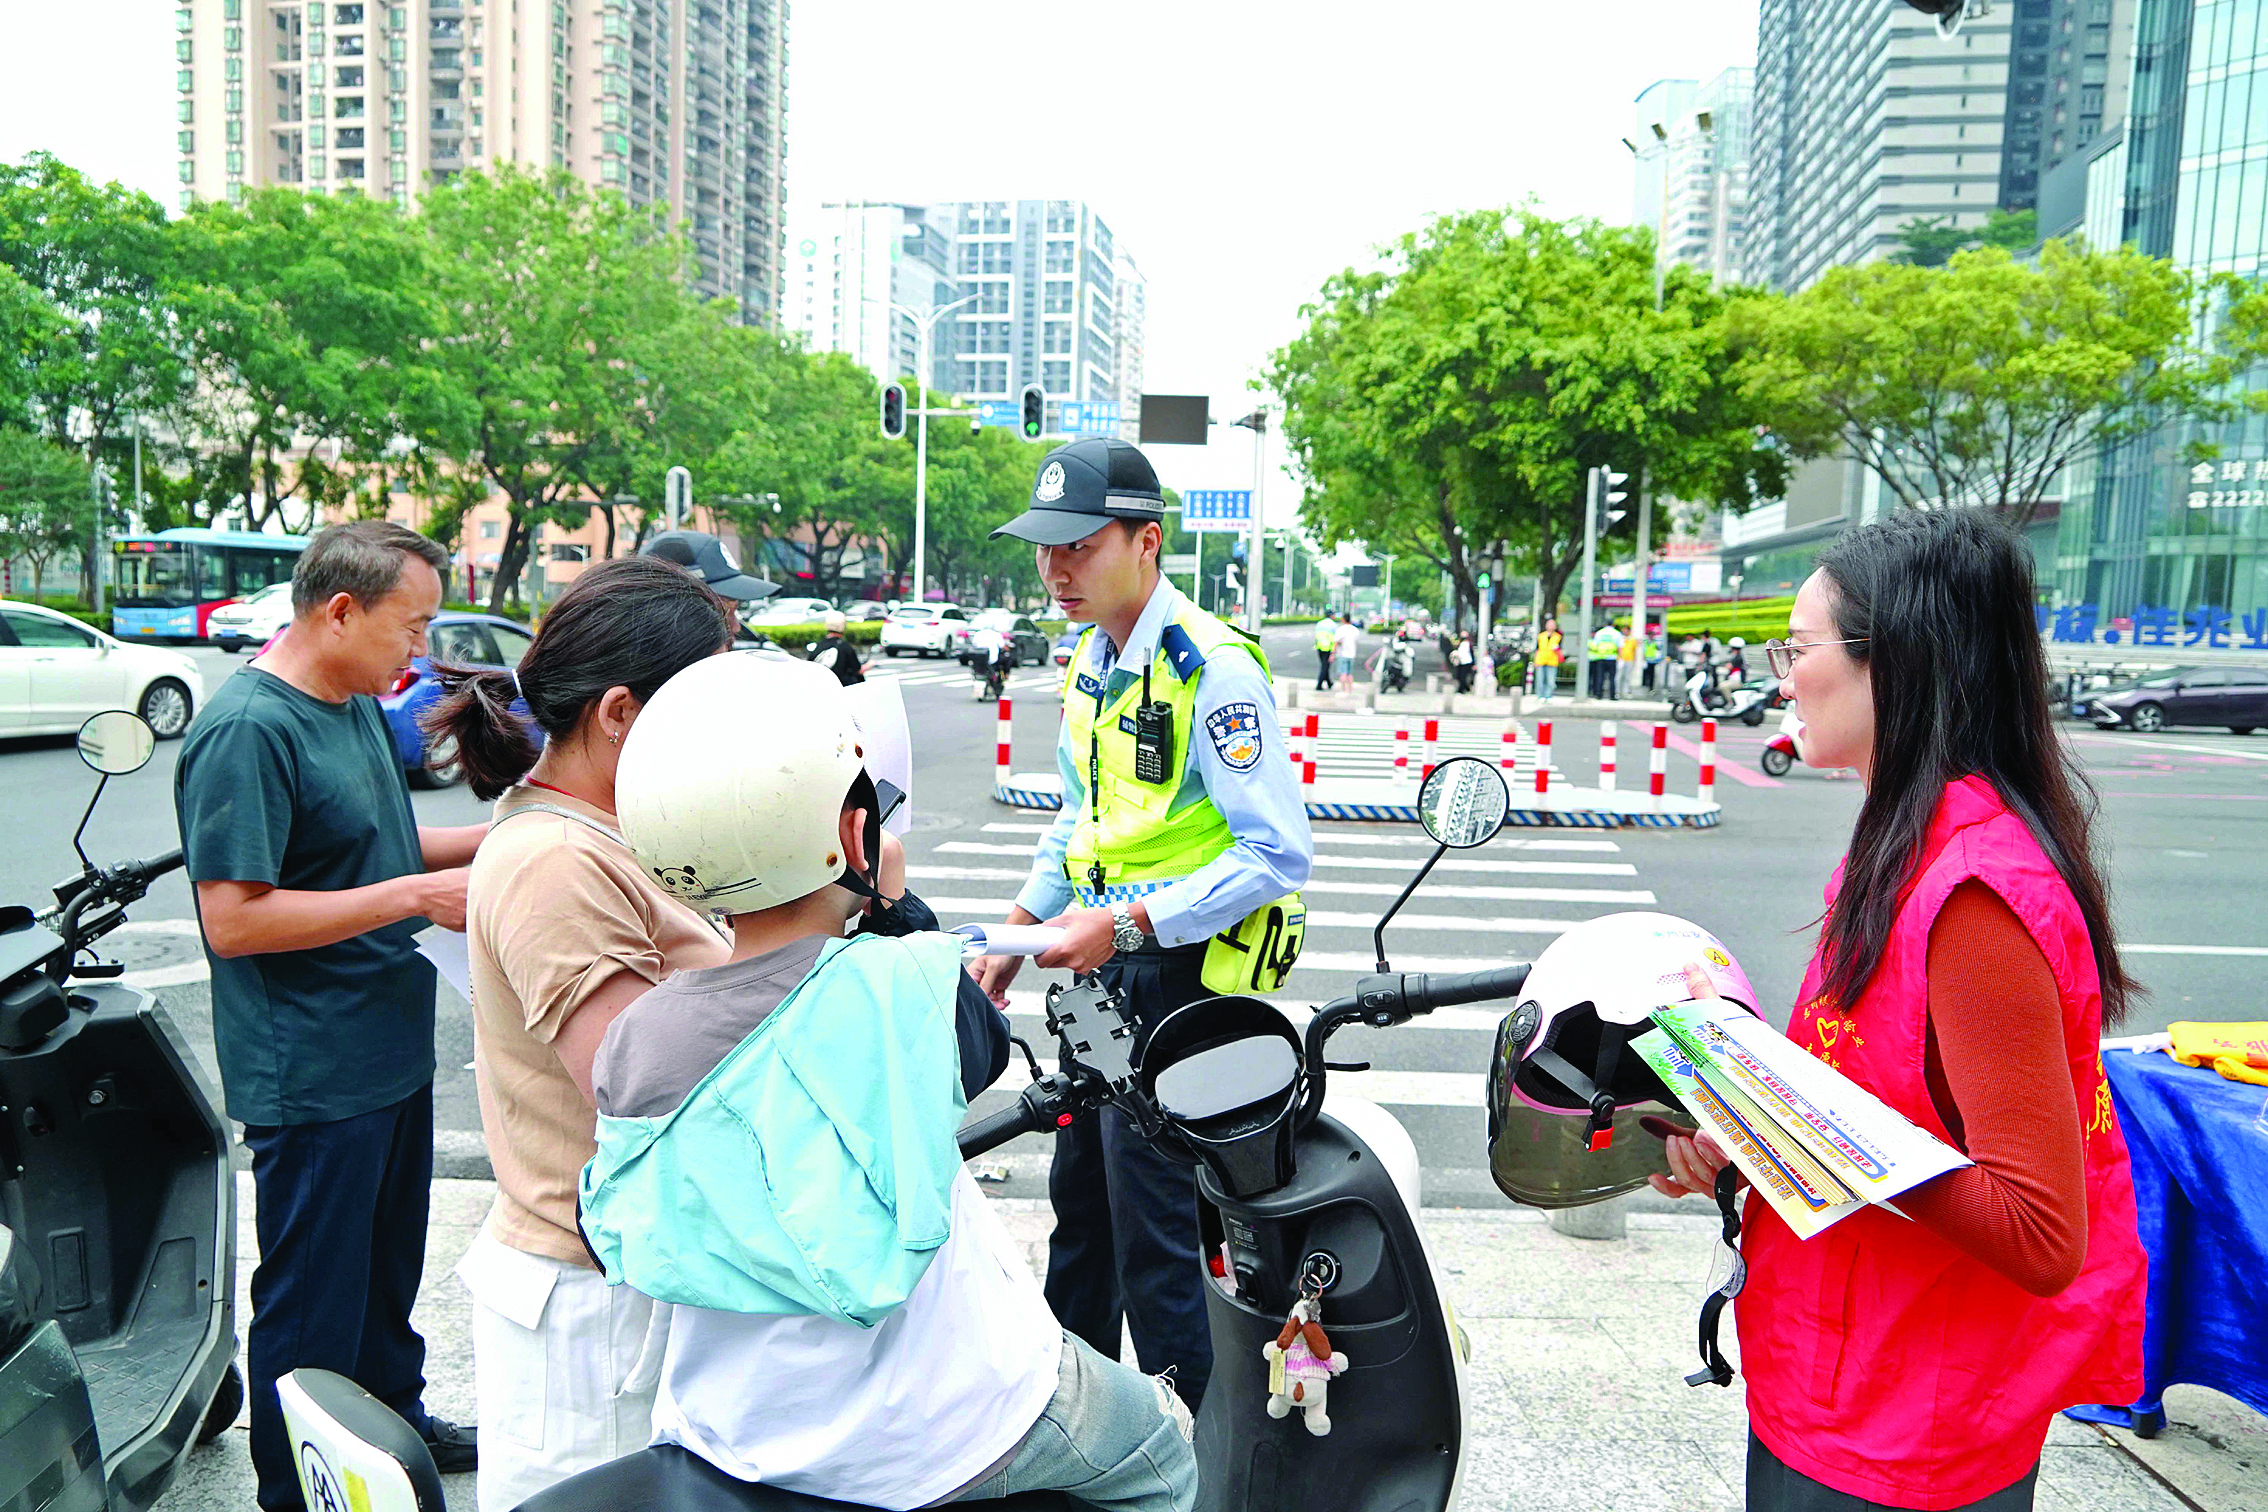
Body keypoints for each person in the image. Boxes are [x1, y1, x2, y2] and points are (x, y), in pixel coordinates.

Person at [581, 654, 1194, 1512]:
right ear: (848, 832)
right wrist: (892, 902)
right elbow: (975, 1044)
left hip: (735, 1425)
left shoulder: (635, 1039)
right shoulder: (907, 986)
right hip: (939, 1425)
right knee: (1160, 1446)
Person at [1650, 509, 2146, 1512]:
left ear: (1898, 660)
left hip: (1906, 1433)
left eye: (1801, 649)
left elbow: (2042, 1232)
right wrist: (1748, 1134)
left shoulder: (1974, 892)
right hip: (1834, 1379)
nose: (1784, 680)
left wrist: (1798, 1124)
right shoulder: (1897, 849)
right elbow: (1887, 1099)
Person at [974, 436, 1314, 1409]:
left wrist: (1122, 927)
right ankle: (1074, 1425)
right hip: (1095, 977)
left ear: (1146, 542)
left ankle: (1185, 1454)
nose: (1055, 568)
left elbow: (1276, 854)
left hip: (1177, 981)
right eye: (1045, 548)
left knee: (1156, 1236)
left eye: (1078, 545)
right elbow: (1082, 820)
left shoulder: (1213, 669)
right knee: (1079, 1208)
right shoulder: (1091, 662)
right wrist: (1019, 927)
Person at [173, 521, 486, 1512]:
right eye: (412, 625)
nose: (421, 652)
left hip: (388, 1049)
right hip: (313, 1071)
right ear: (340, 610)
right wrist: (413, 899)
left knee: (386, 1276)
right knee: (313, 1298)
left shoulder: (350, 703)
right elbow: (233, 920)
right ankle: (298, 1486)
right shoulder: (247, 732)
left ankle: (393, 1420)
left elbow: (380, 838)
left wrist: (510, 837)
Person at [421, 557, 738, 1511]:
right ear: (618, 715)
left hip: (628, 1279)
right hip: (589, 1307)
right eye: (702, 707)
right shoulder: (555, 860)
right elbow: (630, 1077)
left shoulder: (608, 830)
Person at [808, 610, 865, 686]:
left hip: (823, 687)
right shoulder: (846, 647)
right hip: (844, 688)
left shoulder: (818, 645)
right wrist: (870, 664)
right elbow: (858, 670)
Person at [1587, 620, 1623, 700]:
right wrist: (1620, 657)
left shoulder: (1600, 633)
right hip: (1612, 658)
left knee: (1600, 677)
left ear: (1605, 624)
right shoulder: (1617, 633)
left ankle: (1598, 694)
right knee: (1612, 678)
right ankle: (1612, 695)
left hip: (1601, 658)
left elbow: (1595, 645)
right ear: (1613, 624)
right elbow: (1620, 647)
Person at [1532, 616, 1562, 699]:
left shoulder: (1558, 637)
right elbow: (1537, 649)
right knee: (1540, 680)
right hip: (1541, 660)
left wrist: (1557, 649)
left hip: (1552, 661)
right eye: (1549, 624)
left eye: (1552, 625)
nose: (1551, 626)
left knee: (1550, 680)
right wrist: (1535, 661)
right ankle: (1540, 696)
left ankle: (1548, 696)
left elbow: (1560, 649)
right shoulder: (1541, 636)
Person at [1333, 613, 1361, 692]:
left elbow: (1336, 642)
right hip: (1352, 654)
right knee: (1349, 673)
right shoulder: (1355, 630)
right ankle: (1350, 689)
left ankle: (1343, 689)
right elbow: (1356, 642)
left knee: (1343, 673)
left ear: (1343, 619)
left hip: (1342, 654)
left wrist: (1332, 653)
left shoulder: (1340, 629)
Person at [1615, 616, 1641, 697]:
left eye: (1626, 630)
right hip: (1620, 659)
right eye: (1624, 630)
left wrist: (1635, 660)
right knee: (1619, 676)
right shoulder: (1619, 638)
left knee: (1627, 676)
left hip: (1629, 659)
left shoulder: (1632, 640)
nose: (1625, 632)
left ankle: (1626, 691)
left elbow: (1634, 650)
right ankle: (1617, 691)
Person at [1312, 613, 1336, 691]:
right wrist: (1333, 651)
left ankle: (1329, 683)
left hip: (1319, 646)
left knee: (1324, 665)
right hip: (1328, 647)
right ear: (1331, 616)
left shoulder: (1319, 623)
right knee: (1325, 666)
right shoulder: (1333, 624)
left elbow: (1316, 635)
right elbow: (1335, 638)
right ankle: (1319, 685)